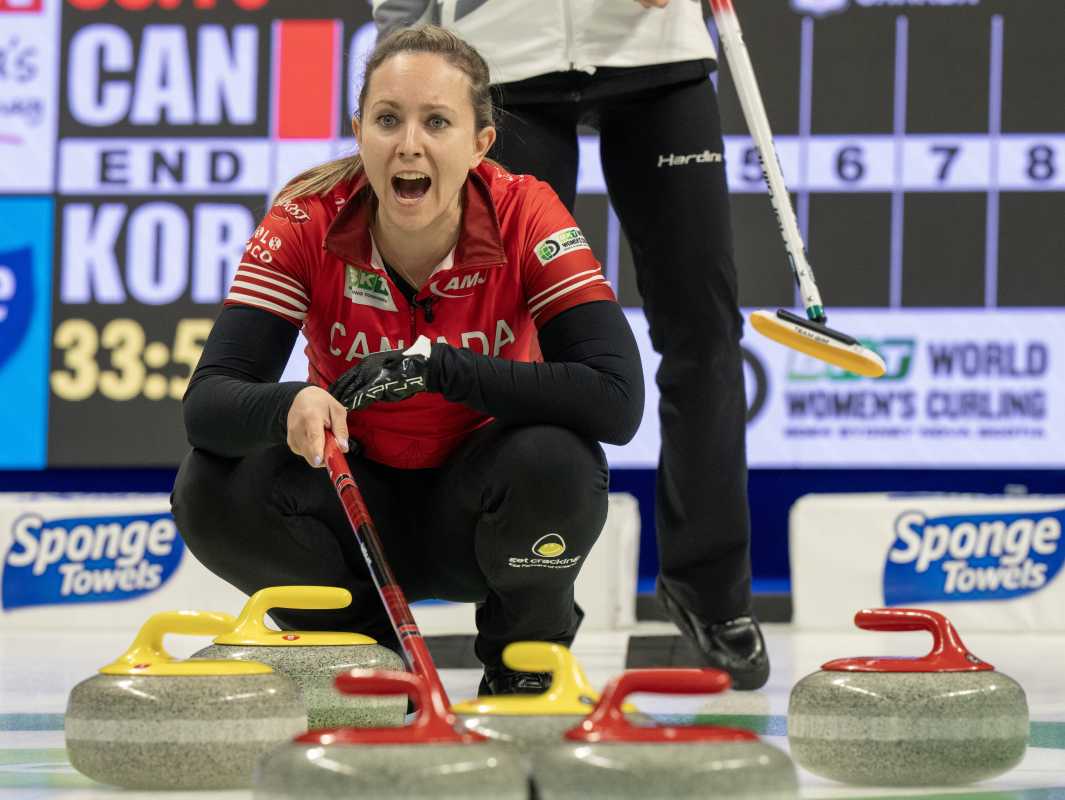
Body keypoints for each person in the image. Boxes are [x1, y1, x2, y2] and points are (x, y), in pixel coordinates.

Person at [170, 25, 643, 695]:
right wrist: (290, 405)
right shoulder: (305, 218)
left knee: (557, 460)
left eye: (437, 122)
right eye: (388, 120)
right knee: (209, 488)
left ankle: (525, 661)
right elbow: (208, 405)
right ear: (358, 129)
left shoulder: (525, 212)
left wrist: (439, 368)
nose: (408, 145)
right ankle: (371, 662)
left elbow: (616, 400)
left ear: (480, 144)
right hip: (354, 504)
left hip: (480, 506)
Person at [374, 0, 769, 688]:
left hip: (656, 54)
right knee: (503, 331)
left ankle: (708, 590)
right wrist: (401, 54)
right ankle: (523, 610)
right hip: (503, 55)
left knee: (702, 331)